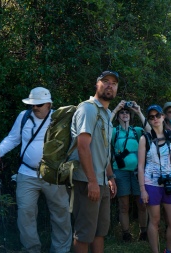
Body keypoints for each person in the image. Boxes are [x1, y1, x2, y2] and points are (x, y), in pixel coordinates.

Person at [0, 87, 72, 253]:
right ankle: (31, 249)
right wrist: (0, 150)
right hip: (27, 173)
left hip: (53, 175)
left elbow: (71, 144)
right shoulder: (23, 117)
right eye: (32, 104)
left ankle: (61, 250)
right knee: (25, 213)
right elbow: (13, 138)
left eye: (39, 104)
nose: (35, 108)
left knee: (61, 213)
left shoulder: (58, 119)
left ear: (49, 104)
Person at [69, 70, 118, 253]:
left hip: (102, 181)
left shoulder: (106, 114)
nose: (109, 85)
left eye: (113, 83)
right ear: (96, 85)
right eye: (105, 81)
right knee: (84, 233)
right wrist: (91, 181)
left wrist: (110, 176)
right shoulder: (87, 108)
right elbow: (83, 146)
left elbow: (103, 151)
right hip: (87, 181)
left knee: (99, 232)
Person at [137, 105, 171, 253]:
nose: (155, 118)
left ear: (163, 116)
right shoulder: (145, 138)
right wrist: (142, 190)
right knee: (155, 221)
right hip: (151, 184)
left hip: (169, 182)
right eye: (151, 117)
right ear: (149, 120)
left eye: (157, 115)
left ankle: (168, 250)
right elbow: (140, 166)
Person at [110, 100, 148, 242]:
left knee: (142, 204)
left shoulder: (137, 131)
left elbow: (151, 131)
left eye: (127, 112)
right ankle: (126, 233)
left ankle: (143, 232)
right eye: (122, 113)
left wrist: (138, 111)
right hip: (120, 171)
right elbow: (103, 128)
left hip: (138, 172)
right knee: (123, 205)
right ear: (119, 116)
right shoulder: (114, 131)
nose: (125, 114)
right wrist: (115, 109)